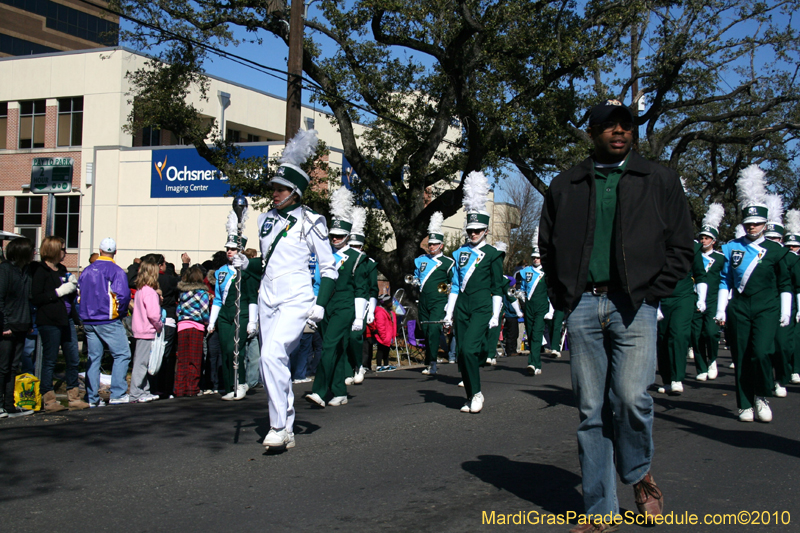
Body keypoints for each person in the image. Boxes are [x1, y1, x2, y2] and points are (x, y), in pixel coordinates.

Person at [540, 99, 694, 531]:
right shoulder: (566, 183)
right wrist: (562, 297)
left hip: (635, 305)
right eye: (609, 126)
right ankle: (599, 511)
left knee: (631, 398)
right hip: (583, 305)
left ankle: (638, 473)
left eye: (626, 125)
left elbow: (683, 245)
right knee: (591, 410)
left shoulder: (658, 179)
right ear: (592, 133)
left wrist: (651, 292)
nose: (619, 131)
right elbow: (547, 247)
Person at [255, 129, 337, 449]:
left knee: (272, 354)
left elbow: (329, 267)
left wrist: (319, 306)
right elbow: (264, 264)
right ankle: (286, 425)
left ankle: (278, 427)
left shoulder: (312, 222)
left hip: (296, 297)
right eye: (274, 188)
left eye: (281, 189)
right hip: (267, 298)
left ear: (296, 192)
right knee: (270, 364)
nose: (275, 193)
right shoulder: (264, 221)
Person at [716, 171, 793, 423]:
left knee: (760, 353)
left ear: (765, 224)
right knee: (740, 356)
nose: (752, 226)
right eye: (748, 223)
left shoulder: (776, 251)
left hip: (767, 308)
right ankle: (745, 404)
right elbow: (725, 280)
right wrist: (720, 308)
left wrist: (785, 310)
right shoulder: (732, 247)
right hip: (739, 308)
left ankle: (762, 394)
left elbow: (784, 283)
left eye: (757, 223)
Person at [444, 171, 505, 414]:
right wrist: (449, 312)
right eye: (470, 230)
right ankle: (470, 395)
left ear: (486, 230)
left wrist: (494, 314)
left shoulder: (492, 254)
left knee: (469, 349)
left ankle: (477, 393)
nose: (473, 234)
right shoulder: (458, 254)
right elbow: (456, 286)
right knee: (461, 353)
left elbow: (498, 288)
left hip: (481, 306)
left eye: (478, 230)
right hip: (462, 307)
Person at [307, 186, 367, 408]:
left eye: (340, 236)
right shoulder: (323, 255)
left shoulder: (357, 257)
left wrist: (359, 317)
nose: (335, 239)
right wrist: (314, 306)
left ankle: (320, 391)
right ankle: (340, 391)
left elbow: (361, 289)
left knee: (329, 346)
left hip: (345, 304)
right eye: (332, 235)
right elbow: (316, 283)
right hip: (326, 303)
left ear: (348, 237)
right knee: (337, 348)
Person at [30, 236, 88, 412]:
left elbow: (69, 296)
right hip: (49, 320)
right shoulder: (40, 271)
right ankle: (48, 399)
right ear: (54, 250)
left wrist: (72, 287)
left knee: (73, 358)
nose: (65, 252)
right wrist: (57, 292)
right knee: (50, 360)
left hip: (66, 318)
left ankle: (73, 396)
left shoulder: (62, 269)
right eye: (63, 249)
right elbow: (36, 297)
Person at [79, 238, 133, 407]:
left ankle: (92, 398)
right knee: (122, 353)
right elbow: (123, 295)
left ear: (100, 250)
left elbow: (80, 293)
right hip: (107, 318)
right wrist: (121, 312)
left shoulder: (87, 271)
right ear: (115, 252)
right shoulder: (115, 271)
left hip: (89, 318)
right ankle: (117, 393)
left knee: (94, 358)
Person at [207, 233, 258, 401]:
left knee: (235, 349)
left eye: (233, 249)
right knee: (225, 350)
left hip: (241, 312)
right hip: (224, 314)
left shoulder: (247, 271)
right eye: (227, 248)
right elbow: (218, 298)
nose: (229, 251)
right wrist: (212, 320)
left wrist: (252, 321)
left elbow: (252, 298)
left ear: (241, 251)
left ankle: (241, 382)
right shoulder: (220, 272)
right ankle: (230, 386)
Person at [656, 234, 706, 395]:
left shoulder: (693, 247)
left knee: (678, 334)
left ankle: (677, 378)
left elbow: (700, 274)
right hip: (660, 297)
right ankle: (667, 379)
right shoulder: (656, 243)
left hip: (683, 297)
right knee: (662, 338)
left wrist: (702, 298)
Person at [412, 211, 455, 376]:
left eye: (434, 244)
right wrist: (415, 281)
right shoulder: (421, 260)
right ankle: (430, 361)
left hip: (438, 301)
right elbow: (416, 276)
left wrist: (444, 293)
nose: (431, 246)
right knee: (425, 331)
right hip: (423, 300)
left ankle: (432, 362)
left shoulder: (448, 263)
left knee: (433, 330)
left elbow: (453, 284)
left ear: (441, 245)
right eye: (430, 244)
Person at [0, 238, 36, 418]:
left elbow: (27, 299)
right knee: (3, 366)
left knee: (14, 366)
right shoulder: (5, 270)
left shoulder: (26, 272)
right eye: (31, 250)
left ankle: (9, 405)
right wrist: (4, 324)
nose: (34, 253)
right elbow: (1, 298)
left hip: (22, 323)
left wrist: (29, 323)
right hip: (9, 325)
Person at [763, 195, 794, 397]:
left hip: (784, 305)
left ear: (781, 240)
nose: (772, 242)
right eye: (769, 238)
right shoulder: (759, 255)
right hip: (764, 307)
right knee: (764, 349)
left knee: (782, 346)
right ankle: (765, 383)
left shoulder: (788, 257)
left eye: (776, 239)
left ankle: (781, 378)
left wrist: (787, 310)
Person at [691, 204, 726, 382]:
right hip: (694, 298)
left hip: (712, 300)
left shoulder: (720, 258)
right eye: (701, 237)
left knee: (711, 333)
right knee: (696, 334)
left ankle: (712, 360)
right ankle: (701, 367)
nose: (703, 240)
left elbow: (725, 280)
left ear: (713, 241)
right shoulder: (692, 255)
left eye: (707, 238)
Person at [345, 207, 377, 385]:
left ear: (362, 247)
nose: (354, 249)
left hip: (363, 305)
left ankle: (359, 366)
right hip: (346, 302)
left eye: (357, 246)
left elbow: (373, 289)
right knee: (344, 337)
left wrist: (371, 310)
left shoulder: (369, 264)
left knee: (356, 336)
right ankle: (348, 368)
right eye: (352, 246)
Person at [518, 229, 551, 375]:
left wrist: (551, 310)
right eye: (534, 257)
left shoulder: (547, 272)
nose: (536, 260)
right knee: (531, 334)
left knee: (537, 333)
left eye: (538, 257)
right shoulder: (525, 271)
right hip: (529, 306)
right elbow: (523, 288)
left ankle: (532, 363)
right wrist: (520, 295)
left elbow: (551, 292)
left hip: (542, 306)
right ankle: (537, 364)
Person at [130, 260, 163, 403]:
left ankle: (144, 390)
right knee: (142, 363)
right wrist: (159, 325)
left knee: (141, 361)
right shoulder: (150, 292)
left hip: (139, 329)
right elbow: (154, 314)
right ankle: (136, 392)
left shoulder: (140, 290)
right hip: (147, 330)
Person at [175, 264, 210, 397]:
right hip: (196, 327)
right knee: (195, 359)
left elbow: (179, 310)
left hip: (182, 326)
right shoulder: (202, 293)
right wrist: (207, 323)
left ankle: (179, 388)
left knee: (182, 358)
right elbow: (204, 312)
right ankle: (192, 388)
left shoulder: (183, 293)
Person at [783, 210, 800, 384]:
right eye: (788, 246)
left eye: (794, 246)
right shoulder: (782, 259)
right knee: (786, 339)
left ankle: (796, 369)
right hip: (786, 300)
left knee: (796, 337)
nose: (791, 250)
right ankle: (786, 369)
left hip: (797, 300)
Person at [370, 295, 397, 370]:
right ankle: (378, 366)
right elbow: (380, 325)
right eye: (390, 302)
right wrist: (383, 336)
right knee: (380, 350)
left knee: (386, 350)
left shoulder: (388, 311)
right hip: (383, 335)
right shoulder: (380, 312)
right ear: (386, 303)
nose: (392, 303)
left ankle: (386, 364)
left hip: (388, 335)